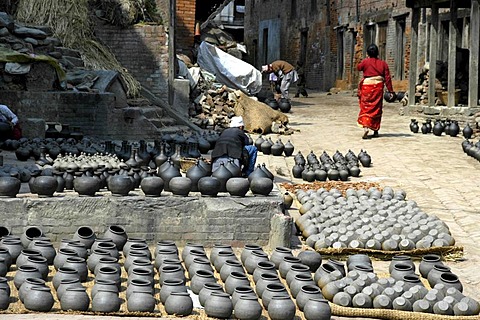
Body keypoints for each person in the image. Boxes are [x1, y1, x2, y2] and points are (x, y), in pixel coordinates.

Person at [357, 44, 395, 139]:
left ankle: (366, 127)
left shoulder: (365, 62)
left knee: (366, 107)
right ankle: (375, 130)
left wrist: (365, 59)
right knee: (377, 108)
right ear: (378, 53)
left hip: (367, 88)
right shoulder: (383, 64)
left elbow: (359, 67)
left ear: (367, 53)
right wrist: (391, 91)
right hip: (378, 87)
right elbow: (387, 78)